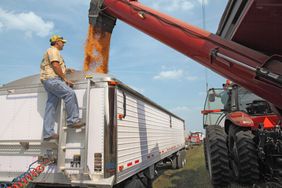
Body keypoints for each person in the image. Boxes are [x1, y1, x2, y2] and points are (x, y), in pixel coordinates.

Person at [40, 35, 85, 141]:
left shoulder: (51, 51)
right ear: (57, 42)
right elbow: (55, 65)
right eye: (62, 42)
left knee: (50, 106)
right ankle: (73, 120)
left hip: (47, 80)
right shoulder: (53, 51)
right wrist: (65, 78)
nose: (63, 44)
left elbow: (55, 65)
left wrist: (67, 70)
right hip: (53, 79)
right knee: (69, 93)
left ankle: (48, 133)